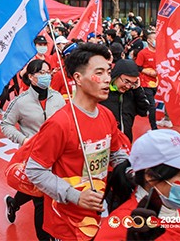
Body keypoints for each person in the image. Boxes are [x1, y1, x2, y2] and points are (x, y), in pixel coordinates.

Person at [25, 43, 129, 240]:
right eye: (99, 73)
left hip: (97, 214)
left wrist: (130, 171)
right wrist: (75, 196)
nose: (108, 79)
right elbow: (35, 171)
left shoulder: (107, 115)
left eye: (108, 72)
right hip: (66, 222)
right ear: (78, 78)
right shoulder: (60, 123)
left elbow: (116, 153)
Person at [1, 59, 65, 240]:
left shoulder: (58, 98)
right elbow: (6, 124)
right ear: (31, 77)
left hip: (57, 155)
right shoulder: (20, 102)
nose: (46, 76)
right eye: (41, 73)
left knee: (37, 190)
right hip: (33, 157)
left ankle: (13, 203)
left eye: (48, 72)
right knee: (41, 201)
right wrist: (24, 139)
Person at [101, 59, 151, 142]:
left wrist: (138, 89)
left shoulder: (132, 92)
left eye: (132, 83)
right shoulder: (101, 92)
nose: (128, 86)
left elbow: (144, 111)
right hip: (105, 142)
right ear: (116, 76)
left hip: (125, 142)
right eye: (126, 81)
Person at [134, 32, 158, 131]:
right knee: (152, 105)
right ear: (149, 40)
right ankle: (154, 128)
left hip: (157, 82)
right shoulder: (143, 53)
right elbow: (137, 67)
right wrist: (147, 72)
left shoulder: (160, 53)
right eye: (155, 39)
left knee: (153, 104)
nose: (157, 41)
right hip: (146, 82)